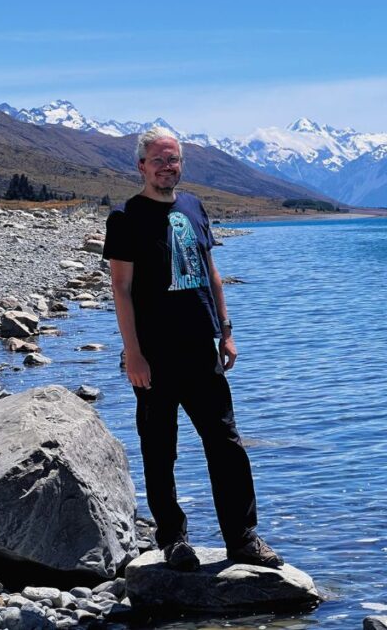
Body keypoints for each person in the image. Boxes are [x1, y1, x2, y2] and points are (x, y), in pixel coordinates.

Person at [102, 126, 283, 572]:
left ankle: (242, 539)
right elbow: (121, 288)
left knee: (226, 444)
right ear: (141, 166)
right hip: (154, 353)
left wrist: (226, 331)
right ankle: (173, 539)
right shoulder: (125, 217)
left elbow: (211, 272)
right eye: (158, 160)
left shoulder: (194, 206)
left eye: (174, 159)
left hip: (201, 348)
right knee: (160, 449)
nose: (167, 167)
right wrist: (133, 353)